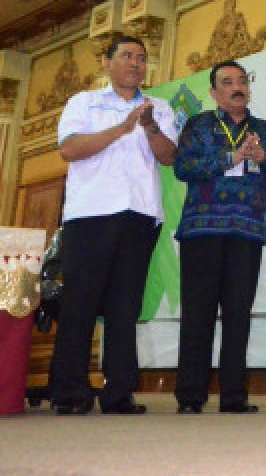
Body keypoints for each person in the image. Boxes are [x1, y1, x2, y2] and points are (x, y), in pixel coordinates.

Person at [51, 34, 178, 415]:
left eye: (141, 58)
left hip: (139, 216)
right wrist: (122, 129)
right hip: (90, 216)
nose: (135, 64)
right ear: (106, 63)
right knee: (80, 304)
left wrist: (150, 127)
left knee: (126, 306)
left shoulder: (160, 107)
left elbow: (169, 157)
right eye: (126, 56)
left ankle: (119, 392)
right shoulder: (84, 102)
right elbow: (70, 149)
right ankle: (70, 392)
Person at [172, 60, 266, 414]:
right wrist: (230, 158)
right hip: (201, 232)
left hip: (246, 233)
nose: (237, 87)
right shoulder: (198, 124)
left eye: (242, 81)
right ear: (214, 92)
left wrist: (263, 160)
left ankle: (234, 396)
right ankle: (190, 396)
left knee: (238, 315)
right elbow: (182, 167)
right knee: (197, 315)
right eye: (228, 82)